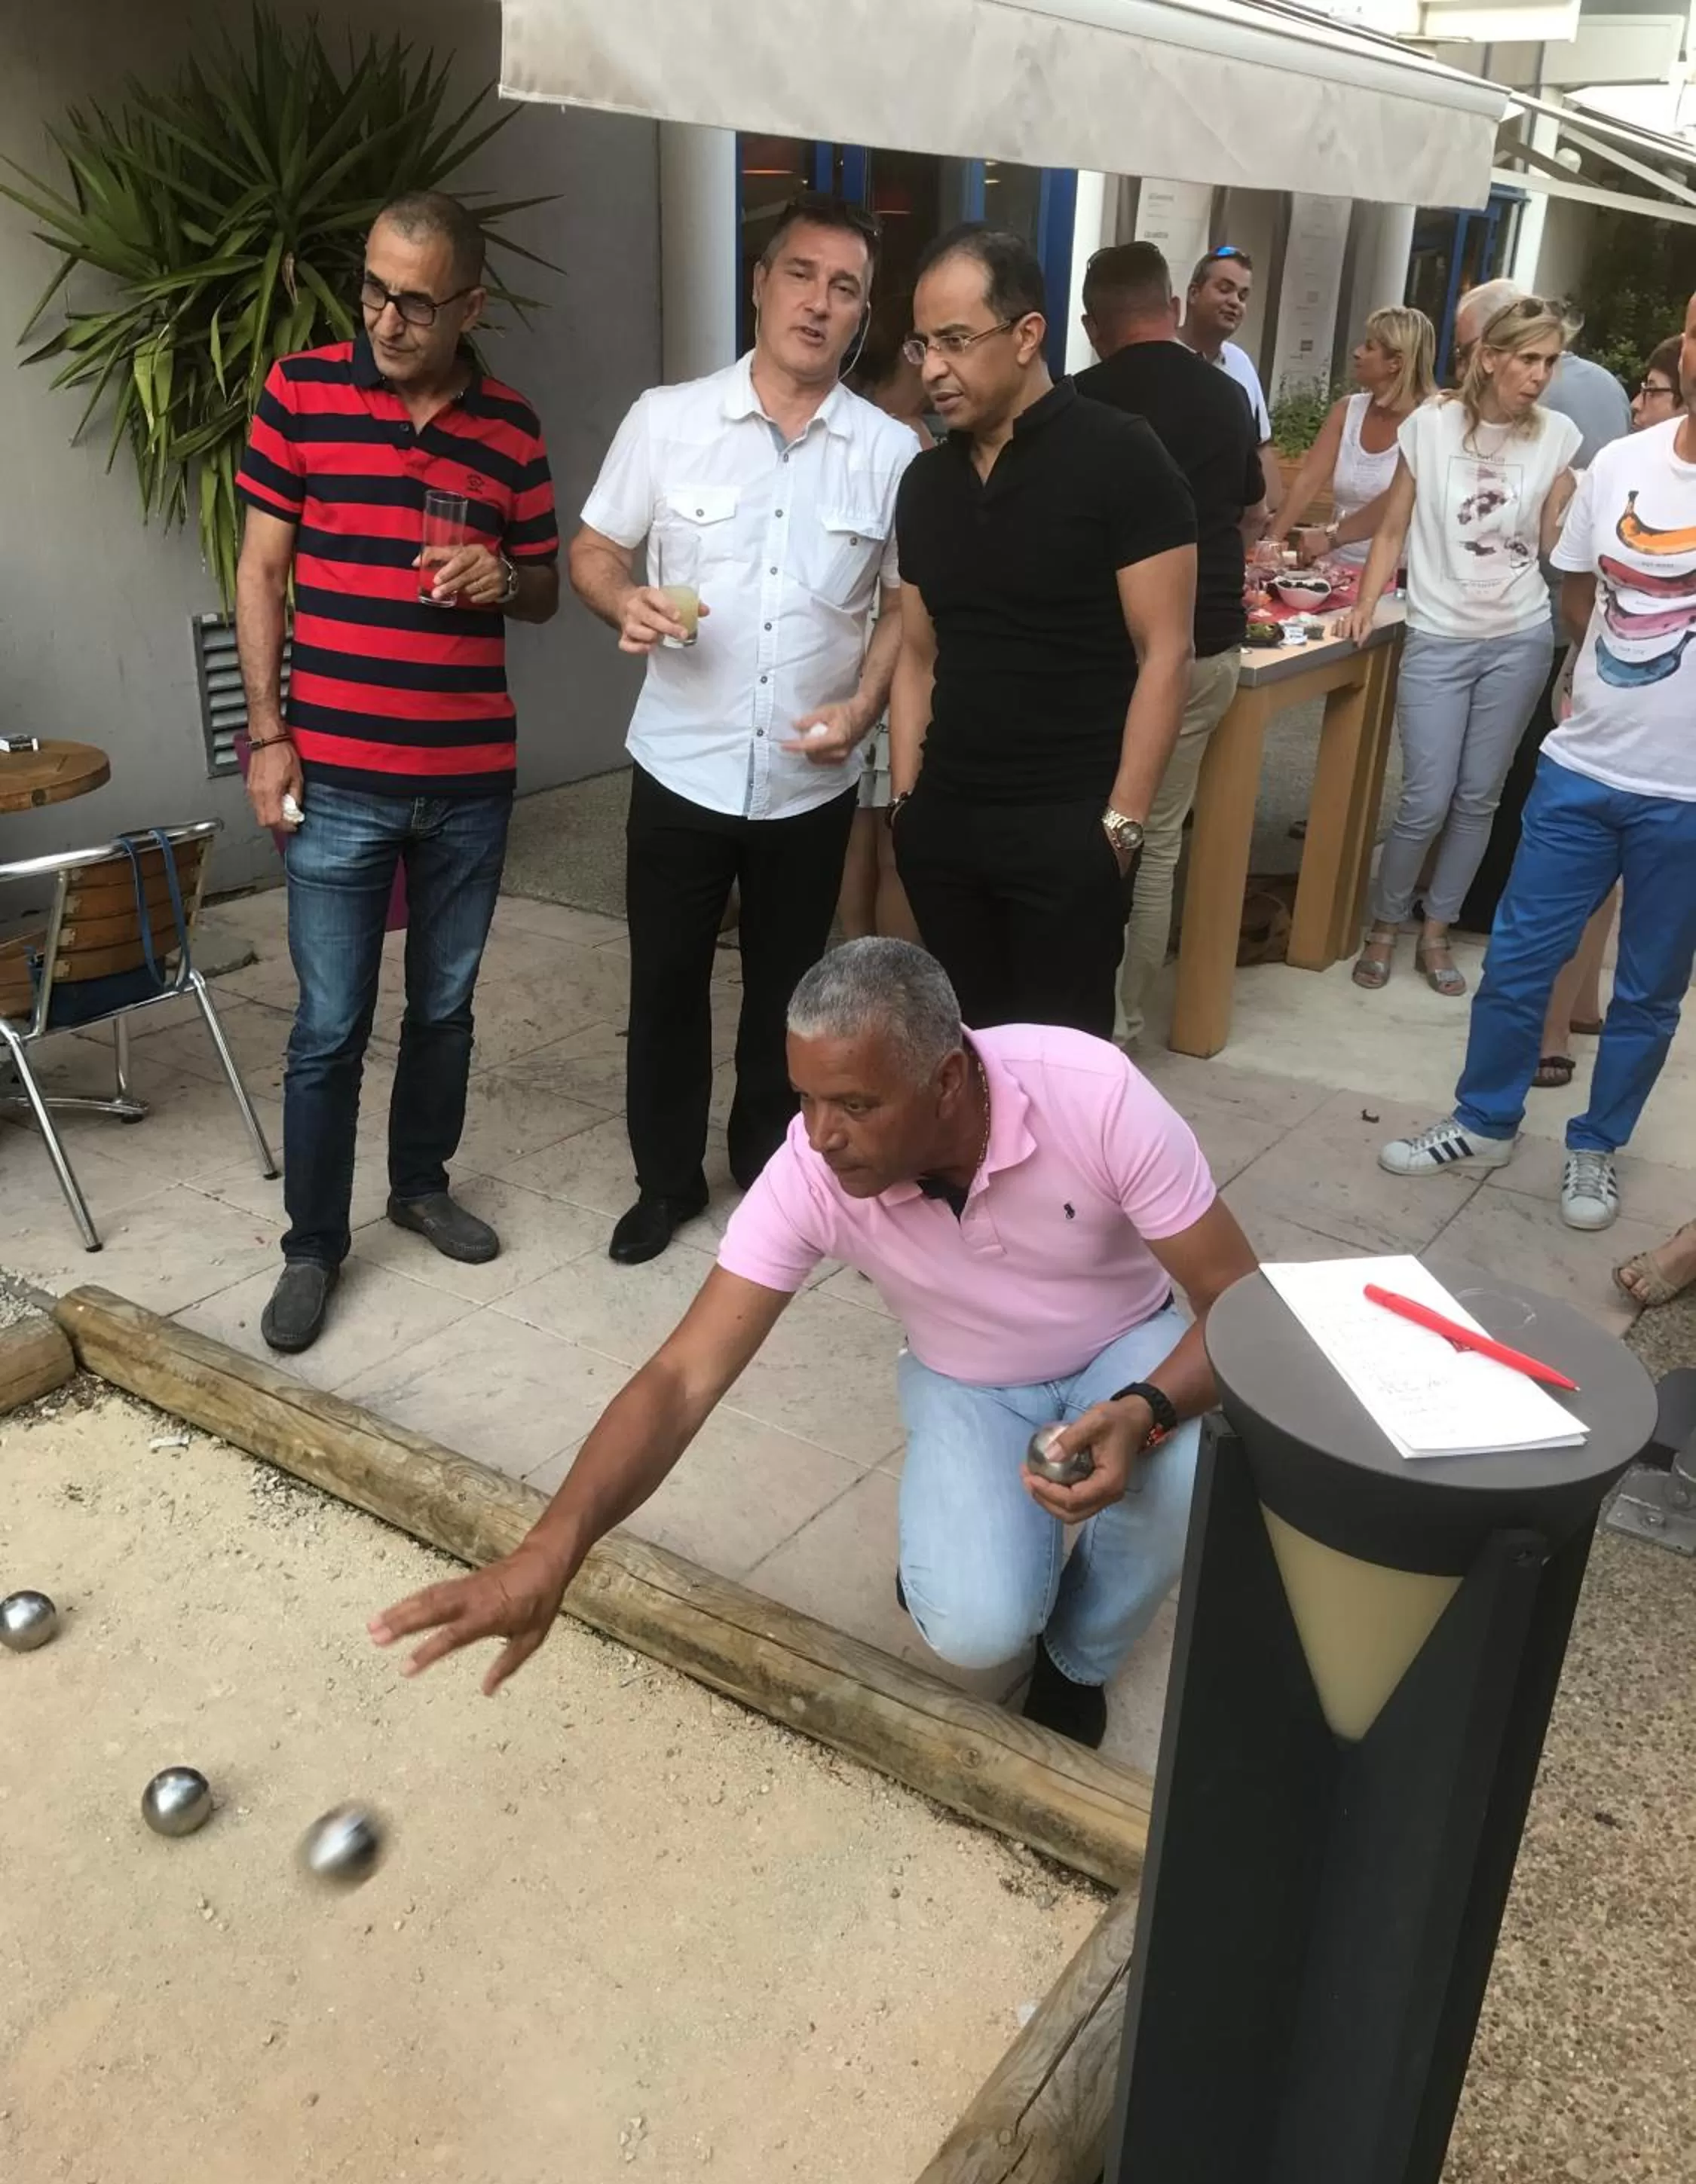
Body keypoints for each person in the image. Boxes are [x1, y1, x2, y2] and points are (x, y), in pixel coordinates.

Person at [369, 940, 1260, 1748]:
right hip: (971, 1379)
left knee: (1181, 1465)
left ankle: (1079, 1660)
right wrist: (548, 1551)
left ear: (948, 1081)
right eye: (805, 1098)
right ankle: (969, 1573)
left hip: (1124, 1347)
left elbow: (1239, 1301)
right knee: (979, 1626)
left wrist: (1144, 1407)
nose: (820, 1135)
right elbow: (682, 1378)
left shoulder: (1091, 1091)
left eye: (856, 1104)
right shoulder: (814, 1168)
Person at [569, 193, 920, 1266]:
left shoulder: (891, 449)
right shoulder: (667, 418)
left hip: (809, 780)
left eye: (845, 287)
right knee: (665, 984)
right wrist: (618, 597)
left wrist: (863, 711)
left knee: (791, 997)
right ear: (761, 283)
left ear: (862, 315)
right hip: (679, 766)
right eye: (802, 275)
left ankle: (772, 1174)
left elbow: (903, 606)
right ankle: (664, 1182)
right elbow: (589, 548)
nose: (819, 303)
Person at [235, 192, 559, 1355]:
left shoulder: (511, 427)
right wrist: (270, 733)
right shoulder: (300, 393)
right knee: (328, 1024)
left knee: (445, 1009)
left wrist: (498, 575)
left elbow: (545, 586)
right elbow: (262, 572)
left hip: (470, 777)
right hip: (340, 775)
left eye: (416, 300)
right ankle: (311, 1246)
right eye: (372, 287)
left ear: (469, 303)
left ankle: (418, 1184)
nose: (386, 316)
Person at [1381, 292, 1696, 1235]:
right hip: (1583, 768)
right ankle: (1485, 1120)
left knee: (1647, 994)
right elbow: (1575, 586)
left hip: (1686, 796)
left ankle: (1596, 1147)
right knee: (1518, 962)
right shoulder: (1623, 463)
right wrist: (1604, 691)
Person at [889, 225, 1197, 1039]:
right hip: (947, 825)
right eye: (924, 345)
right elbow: (917, 652)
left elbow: (1167, 651)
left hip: (1071, 826)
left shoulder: (1123, 458)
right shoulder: (924, 482)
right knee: (963, 1058)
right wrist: (905, 804)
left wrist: (1121, 826)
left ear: (1028, 335)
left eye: (957, 341)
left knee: (1063, 1076)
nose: (935, 369)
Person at [1345, 295, 1581, 999]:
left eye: (1550, 360)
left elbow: (1553, 545)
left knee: (1479, 799)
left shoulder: (1558, 437)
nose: (1540, 374)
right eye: (1529, 358)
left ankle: (1438, 927)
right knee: (1425, 795)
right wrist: (1363, 603)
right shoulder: (1431, 425)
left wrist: (1592, 511)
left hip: (1519, 634)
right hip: (1439, 633)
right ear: (1490, 357)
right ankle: (1386, 924)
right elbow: (1393, 527)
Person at [1074, 240, 1263, 1045]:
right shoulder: (1226, 398)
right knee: (1151, 845)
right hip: (1205, 643)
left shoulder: (1075, 401)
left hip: (1100, 652)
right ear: (1174, 308)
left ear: (1091, 326)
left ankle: (1070, 1015)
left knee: (1084, 832)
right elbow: (1253, 513)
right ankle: (1122, 1023)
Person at [1529, 332, 1685, 1088]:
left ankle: (1570, 1013)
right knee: (1584, 885)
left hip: (1666, 750)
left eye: (1652, 388)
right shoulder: (1619, 468)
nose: (1637, 400)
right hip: (1601, 694)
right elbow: (1579, 592)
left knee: (1619, 905)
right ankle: (1558, 1018)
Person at [1454, 289, 1633, 938]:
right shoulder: (1610, 389)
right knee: (1532, 764)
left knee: (1497, 771)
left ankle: (1475, 904)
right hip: (1575, 611)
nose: (1468, 361)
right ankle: (1494, 902)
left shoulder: (1537, 409)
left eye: (1470, 345)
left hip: (1532, 605)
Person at [837, 301, 932, 946]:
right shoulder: (900, 440)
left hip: (868, 657)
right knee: (891, 837)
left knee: (866, 832)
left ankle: (862, 971)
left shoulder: (850, 423)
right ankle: (881, 985)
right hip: (889, 656)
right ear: (908, 349)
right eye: (934, 345)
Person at [1266, 307, 1437, 568]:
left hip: (1397, 577)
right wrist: (1270, 543)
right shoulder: (1348, 410)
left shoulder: (1431, 420)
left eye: (1369, 347)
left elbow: (1398, 499)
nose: (1357, 352)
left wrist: (1331, 535)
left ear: (1396, 362)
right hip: (1338, 569)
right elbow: (1307, 482)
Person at [1180, 246, 1282, 514]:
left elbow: (1261, 448)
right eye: (1225, 289)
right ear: (1194, 293)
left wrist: (1271, 526)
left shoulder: (1241, 364)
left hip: (1231, 531)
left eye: (1243, 295)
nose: (1235, 301)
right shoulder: (1159, 356)